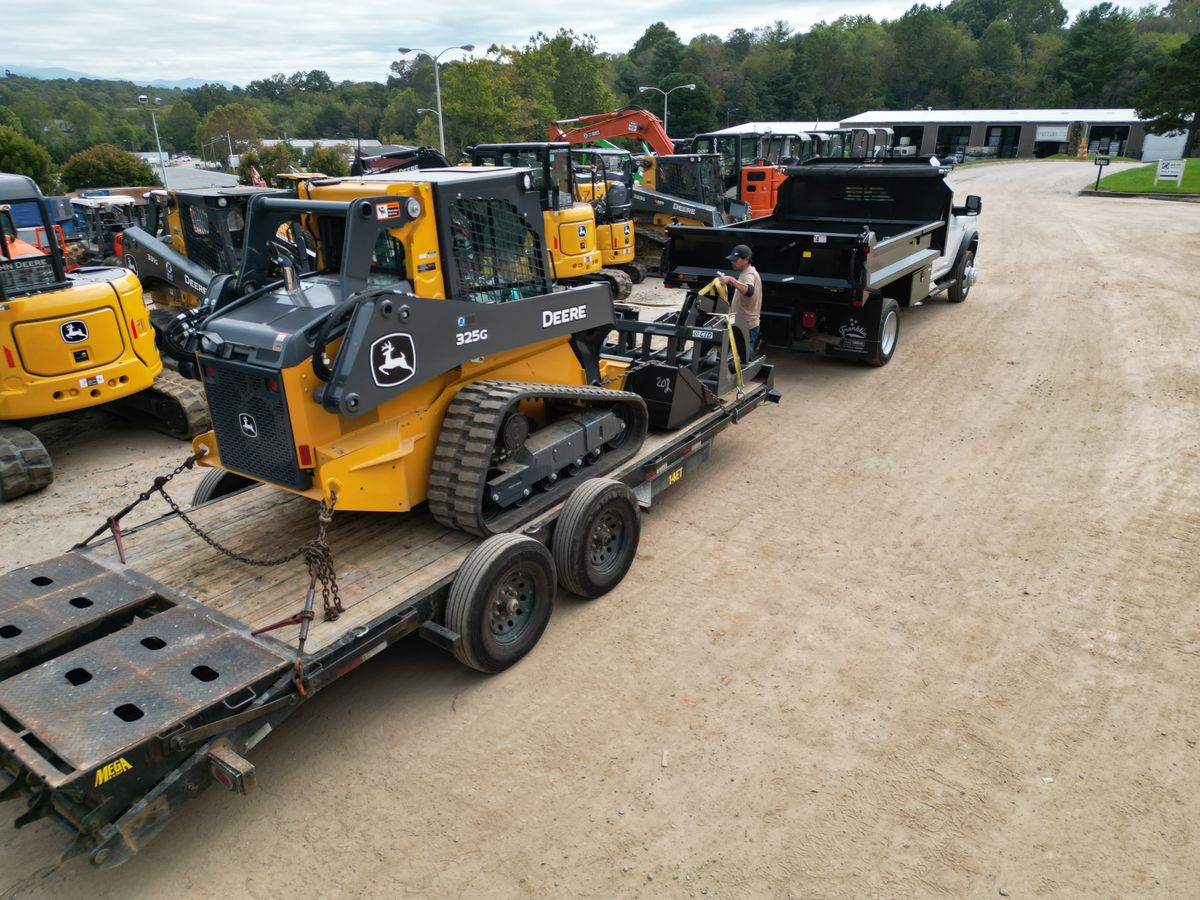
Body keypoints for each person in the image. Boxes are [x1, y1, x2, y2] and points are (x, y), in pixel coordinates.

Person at [718, 244, 762, 357]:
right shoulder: (745, 272)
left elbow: (749, 291)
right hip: (740, 324)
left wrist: (731, 280)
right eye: (732, 260)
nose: (732, 262)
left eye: (735, 260)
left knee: (744, 359)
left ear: (746, 259)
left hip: (747, 326)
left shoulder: (749, 274)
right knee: (736, 356)